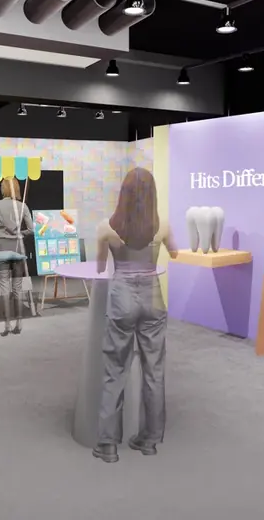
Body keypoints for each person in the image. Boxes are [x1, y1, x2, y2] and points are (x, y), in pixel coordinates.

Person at [92, 167, 177, 464]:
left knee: (115, 371)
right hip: (153, 298)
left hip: (122, 298)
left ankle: (108, 445)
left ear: (123, 194)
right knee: (154, 371)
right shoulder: (162, 225)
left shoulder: (106, 227)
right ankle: (150, 440)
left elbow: (100, 267)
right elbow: (175, 253)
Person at [0, 177, 33, 337]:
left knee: (4, 287)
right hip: (18, 248)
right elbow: (31, 229)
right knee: (17, 287)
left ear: (4, 189)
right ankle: (19, 323)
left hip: (1, 247)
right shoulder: (23, 206)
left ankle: (7, 324)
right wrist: (20, 233)